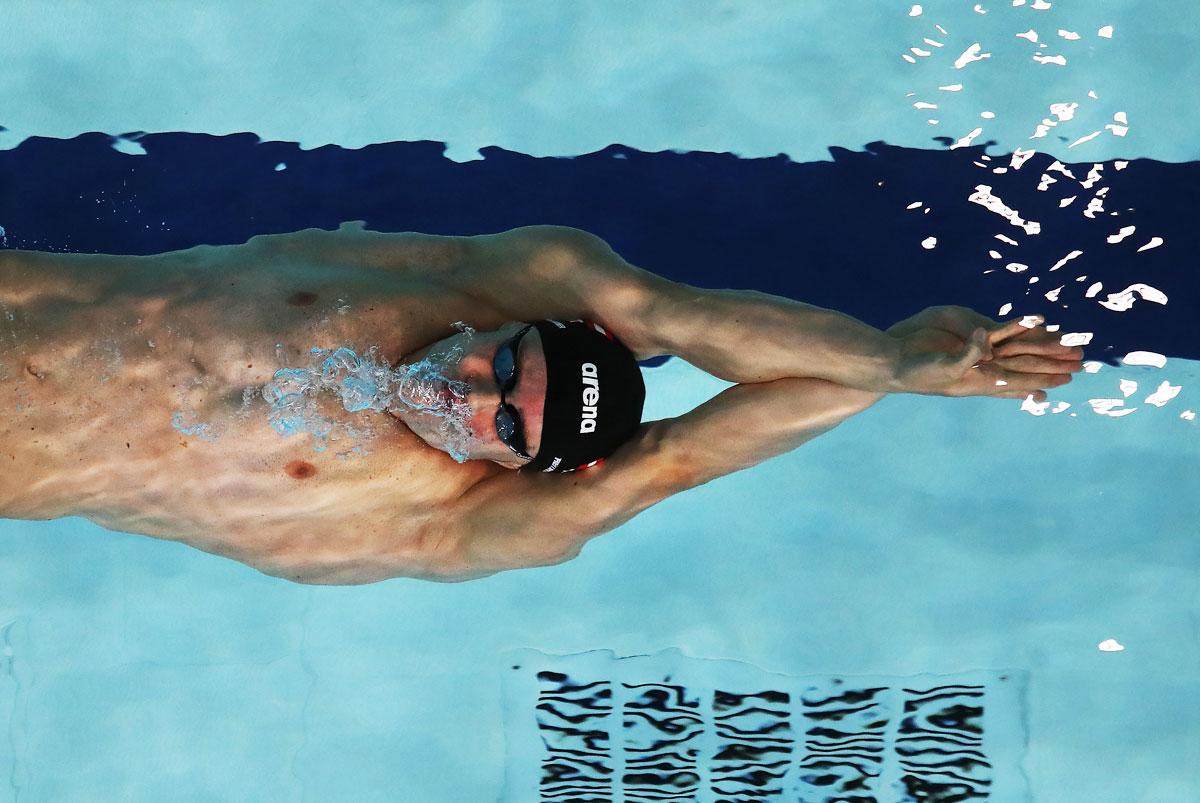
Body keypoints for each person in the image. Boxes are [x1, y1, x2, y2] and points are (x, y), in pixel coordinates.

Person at [0, 222, 1082, 584]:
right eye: (498, 362)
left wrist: (888, 379)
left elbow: (674, 458)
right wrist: (884, 351)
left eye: (505, 420)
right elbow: (665, 308)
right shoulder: (465, 283)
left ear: (522, 469)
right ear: (507, 319)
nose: (463, 386)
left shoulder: (442, 516)